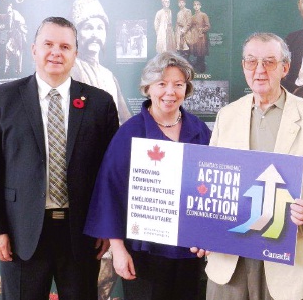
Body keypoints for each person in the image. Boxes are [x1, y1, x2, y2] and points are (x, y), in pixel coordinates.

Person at [0, 17, 119, 300]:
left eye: (65, 46)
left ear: (75, 54)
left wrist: (106, 226)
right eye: (48, 44)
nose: (56, 52)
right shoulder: (3, 98)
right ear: (34, 49)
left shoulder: (100, 103)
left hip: (81, 234)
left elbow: (109, 173)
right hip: (21, 233)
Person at [192, 32, 303, 300]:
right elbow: (212, 185)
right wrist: (203, 229)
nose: (260, 70)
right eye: (252, 61)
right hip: (229, 259)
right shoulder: (226, 116)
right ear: (243, 66)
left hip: (285, 258)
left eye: (270, 62)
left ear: (285, 68)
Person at [84, 52, 211, 300]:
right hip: (145, 253)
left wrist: (208, 235)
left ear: (187, 88)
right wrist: (118, 249)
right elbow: (110, 192)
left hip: (190, 250)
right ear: (148, 88)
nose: (170, 92)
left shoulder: (199, 131)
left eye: (178, 84)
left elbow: (210, 187)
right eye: (162, 84)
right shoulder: (130, 133)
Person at [70, 0, 131, 124]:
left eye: (100, 28)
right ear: (76, 34)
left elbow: (126, 121)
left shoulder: (109, 76)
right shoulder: (70, 70)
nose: (95, 34)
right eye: (88, 28)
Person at [189, 0, 211, 73]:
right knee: (197, 51)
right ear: (193, 6)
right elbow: (190, 26)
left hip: (202, 37)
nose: (196, 6)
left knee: (201, 51)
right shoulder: (192, 17)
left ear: (200, 6)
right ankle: (198, 63)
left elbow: (208, 26)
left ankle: (202, 66)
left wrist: (202, 30)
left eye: (198, 5)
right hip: (195, 37)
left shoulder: (204, 15)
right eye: (195, 5)